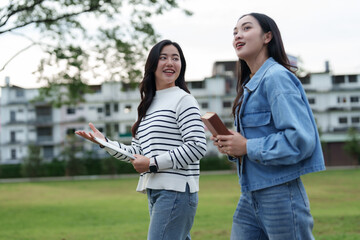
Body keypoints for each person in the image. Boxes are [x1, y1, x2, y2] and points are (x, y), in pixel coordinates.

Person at [75, 39, 207, 240]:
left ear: (182, 65)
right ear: (152, 65)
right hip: (156, 191)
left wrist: (152, 164)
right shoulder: (146, 105)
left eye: (175, 58)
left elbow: (197, 146)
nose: (170, 63)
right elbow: (137, 154)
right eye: (163, 58)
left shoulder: (184, 99)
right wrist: (105, 143)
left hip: (176, 192)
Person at [210, 13, 325, 240]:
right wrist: (233, 145)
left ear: (267, 37)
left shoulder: (276, 78)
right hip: (250, 195)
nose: (238, 35)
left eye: (246, 28)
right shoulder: (249, 85)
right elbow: (253, 140)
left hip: (281, 194)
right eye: (234, 32)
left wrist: (248, 146)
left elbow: (300, 140)